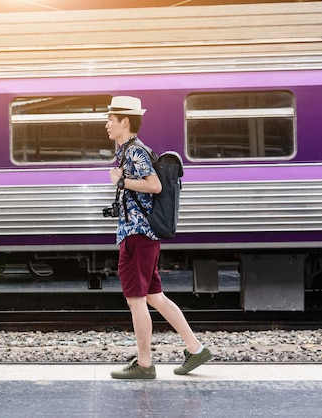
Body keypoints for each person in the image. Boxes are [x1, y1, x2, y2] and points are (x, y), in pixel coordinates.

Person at [105, 96, 212, 379]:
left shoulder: (134, 152)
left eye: (110, 119)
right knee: (155, 297)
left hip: (138, 235)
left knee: (136, 300)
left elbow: (154, 185)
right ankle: (196, 348)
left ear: (124, 121)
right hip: (143, 236)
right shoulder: (130, 151)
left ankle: (144, 364)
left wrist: (120, 180)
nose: (107, 125)